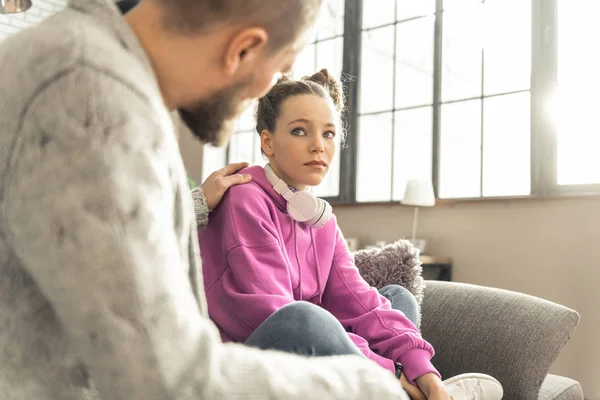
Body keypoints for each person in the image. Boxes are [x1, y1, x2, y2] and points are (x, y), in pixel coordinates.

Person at [0, 0, 416, 399]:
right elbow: (165, 382)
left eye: (328, 132)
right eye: (278, 70)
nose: (263, 93)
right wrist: (377, 387)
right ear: (244, 49)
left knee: (393, 299)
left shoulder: (93, 67)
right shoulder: (91, 98)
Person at [197, 70, 504, 400]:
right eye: (300, 131)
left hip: (313, 357)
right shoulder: (244, 196)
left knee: (397, 298)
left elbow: (359, 300)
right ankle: (399, 393)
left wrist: (424, 369)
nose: (318, 146)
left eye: (328, 134)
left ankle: (427, 392)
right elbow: (270, 314)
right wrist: (391, 372)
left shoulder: (320, 219)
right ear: (268, 141)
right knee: (303, 318)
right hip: (249, 358)